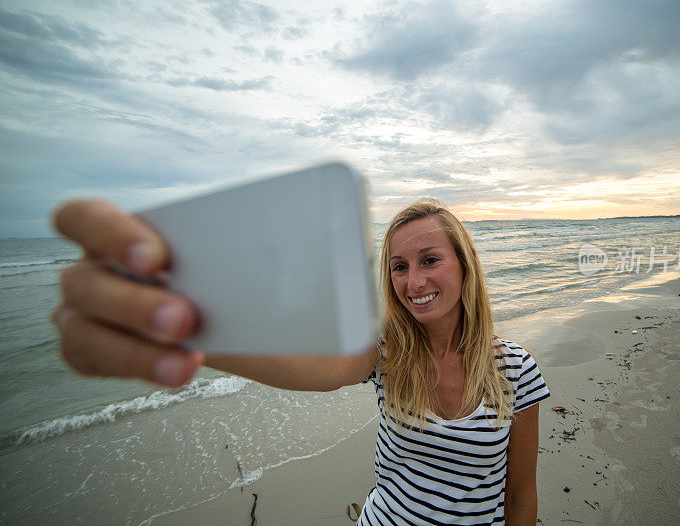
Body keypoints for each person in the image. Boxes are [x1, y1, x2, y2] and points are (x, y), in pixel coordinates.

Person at [52, 197, 549, 525]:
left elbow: (520, 496)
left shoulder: (517, 370)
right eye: (399, 267)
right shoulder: (387, 352)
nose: (413, 282)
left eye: (430, 260)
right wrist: (186, 328)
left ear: (465, 263)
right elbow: (318, 369)